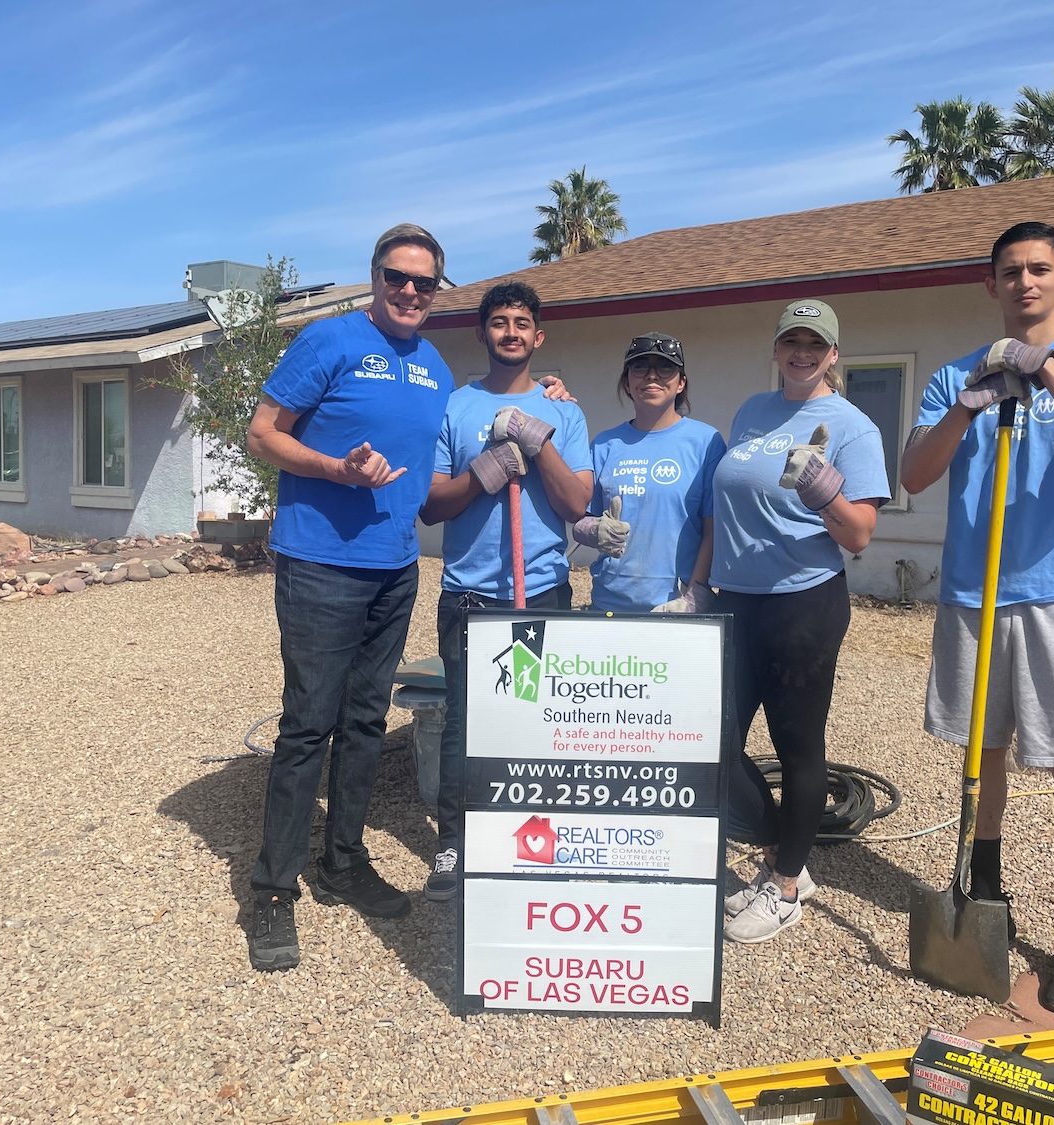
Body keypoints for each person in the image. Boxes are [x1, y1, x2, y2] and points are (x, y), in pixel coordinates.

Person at [901, 221, 1054, 1014]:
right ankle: (985, 890)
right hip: (976, 595)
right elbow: (915, 471)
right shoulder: (951, 375)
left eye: (1040, 269)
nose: (1026, 282)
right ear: (992, 285)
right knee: (986, 753)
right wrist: (970, 404)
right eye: (1011, 271)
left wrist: (1049, 374)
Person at [239, 224, 453, 972]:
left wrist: (550, 395)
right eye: (398, 276)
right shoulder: (328, 342)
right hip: (321, 563)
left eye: (424, 282)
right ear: (374, 276)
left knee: (365, 720)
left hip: (395, 568)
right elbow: (261, 433)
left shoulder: (435, 366)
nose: (410, 291)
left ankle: (343, 861)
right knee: (308, 724)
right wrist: (335, 469)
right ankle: (271, 891)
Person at [711, 300, 890, 944]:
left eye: (816, 343)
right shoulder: (753, 411)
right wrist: (700, 586)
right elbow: (724, 502)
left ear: (833, 354)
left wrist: (822, 488)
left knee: (797, 745)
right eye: (792, 340)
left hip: (802, 602)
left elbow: (862, 534)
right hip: (736, 597)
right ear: (778, 347)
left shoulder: (852, 427)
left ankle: (787, 882)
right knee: (718, 742)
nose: (802, 352)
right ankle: (782, 846)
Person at [419, 281, 592, 901]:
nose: (511, 332)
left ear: (538, 336)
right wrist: (484, 472)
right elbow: (432, 506)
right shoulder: (453, 408)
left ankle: (530, 838)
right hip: (471, 595)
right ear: (483, 333)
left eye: (522, 323)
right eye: (499, 323)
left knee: (529, 720)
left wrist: (536, 441)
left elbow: (577, 504)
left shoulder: (565, 412)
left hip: (538, 593)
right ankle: (455, 843)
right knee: (467, 723)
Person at [581, 333, 725, 614]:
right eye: (640, 367)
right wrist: (591, 530)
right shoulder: (604, 444)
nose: (651, 376)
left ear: (681, 382)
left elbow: (713, 529)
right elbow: (584, 518)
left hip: (676, 605)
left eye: (665, 368)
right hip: (609, 603)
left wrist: (696, 593)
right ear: (627, 382)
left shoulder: (706, 442)